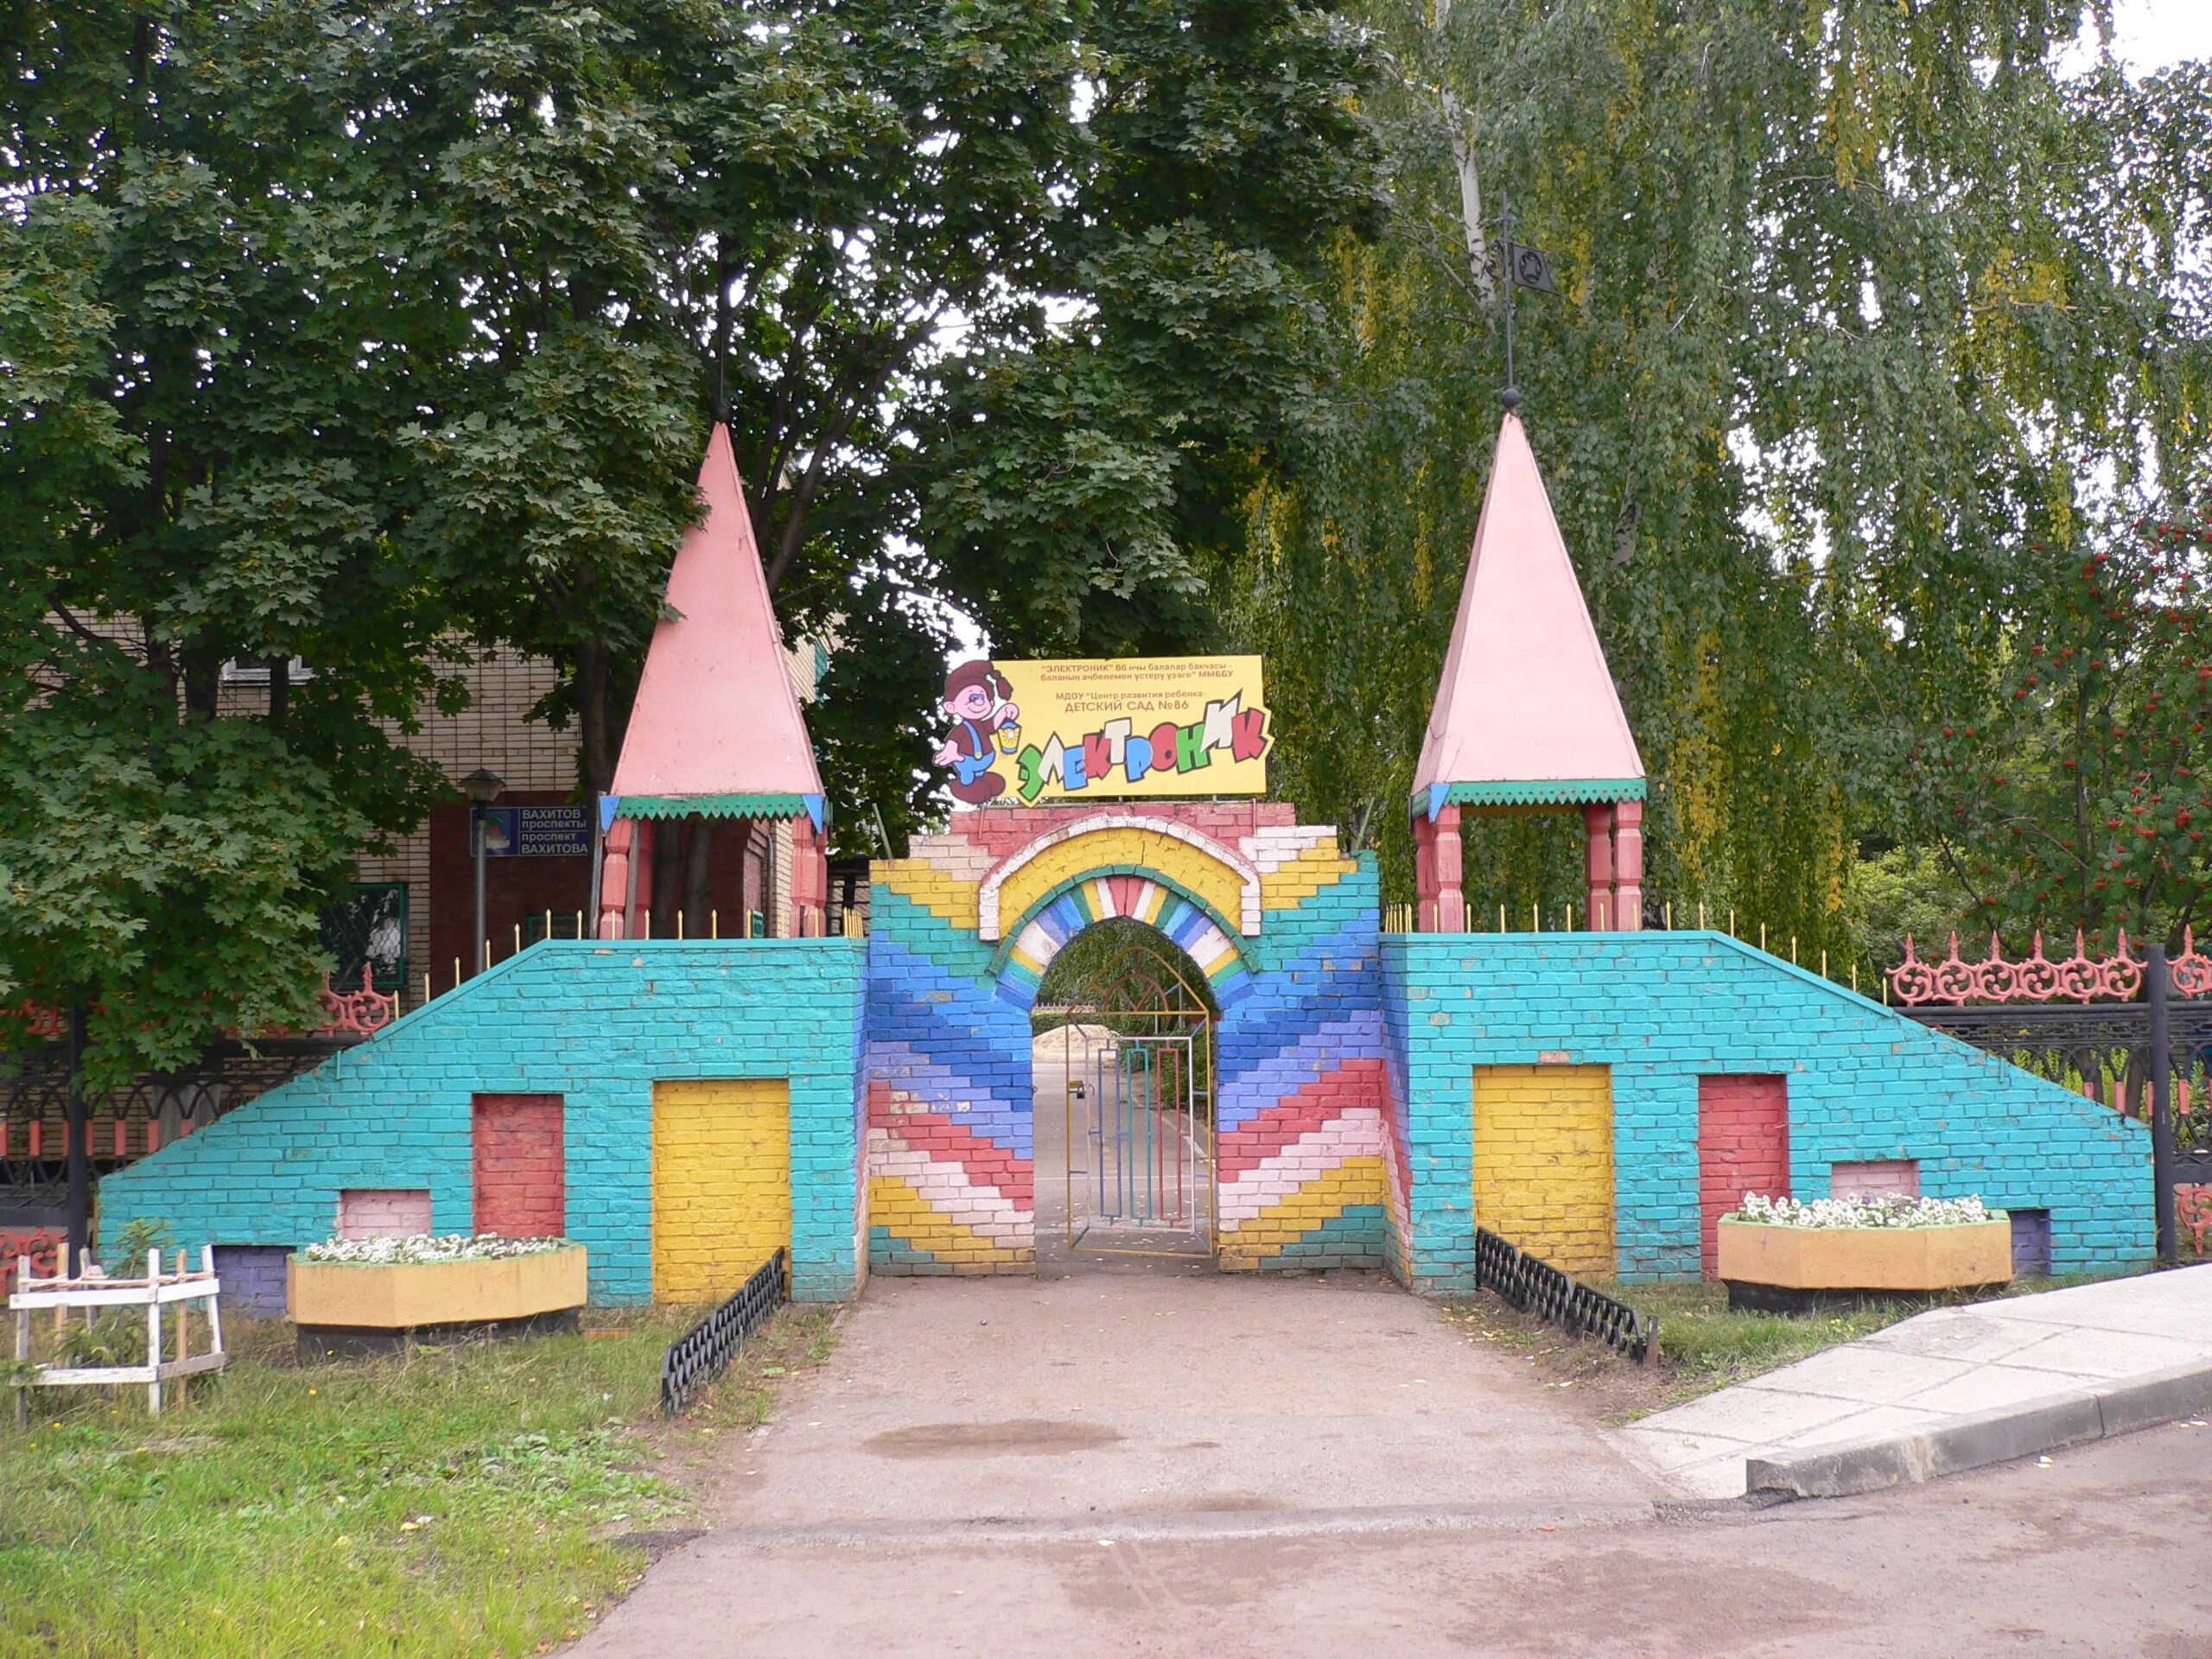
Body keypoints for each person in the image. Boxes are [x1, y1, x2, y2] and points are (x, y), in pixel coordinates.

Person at [932, 659, 1020, 804]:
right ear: (951, 707)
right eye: (973, 698)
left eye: (982, 697)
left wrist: (1005, 712)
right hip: (967, 761)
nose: (979, 702)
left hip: (984, 762)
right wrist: (950, 752)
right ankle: (965, 785)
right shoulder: (962, 729)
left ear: (991, 703)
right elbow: (953, 741)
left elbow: (994, 724)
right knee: (968, 775)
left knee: (990, 780)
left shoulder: (983, 725)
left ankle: (982, 780)